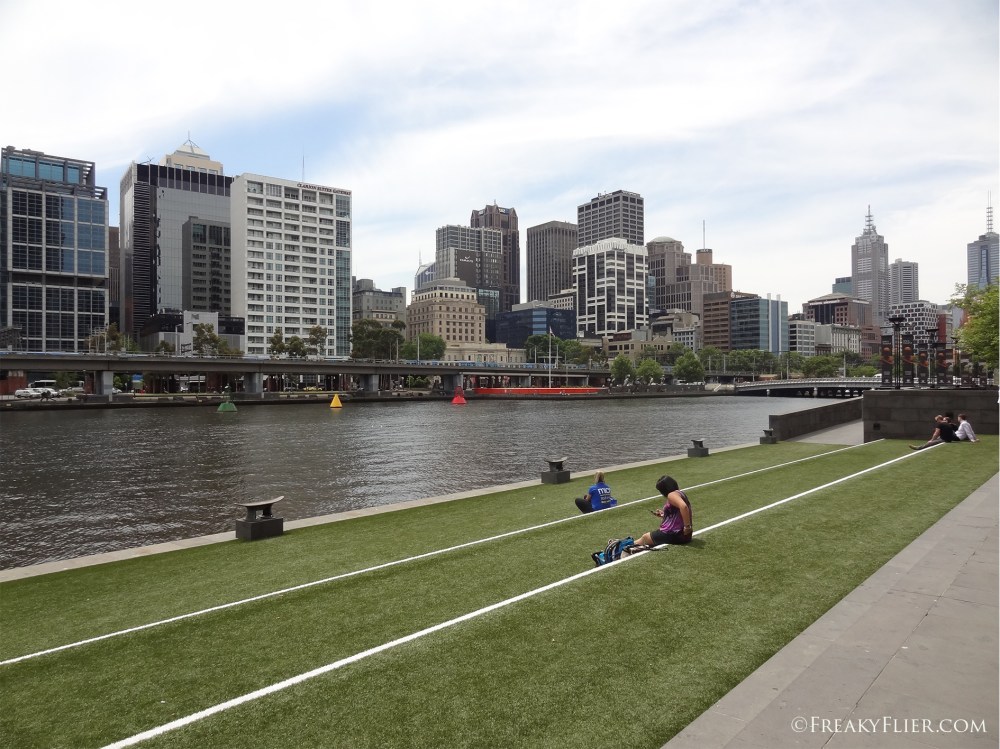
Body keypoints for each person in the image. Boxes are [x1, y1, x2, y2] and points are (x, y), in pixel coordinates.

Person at [628, 475, 692, 550]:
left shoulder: (671, 495)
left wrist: (687, 527)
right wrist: (664, 515)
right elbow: (678, 513)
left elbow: (683, 507)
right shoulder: (680, 493)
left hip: (674, 535)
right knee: (646, 539)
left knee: (645, 538)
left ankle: (621, 549)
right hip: (684, 536)